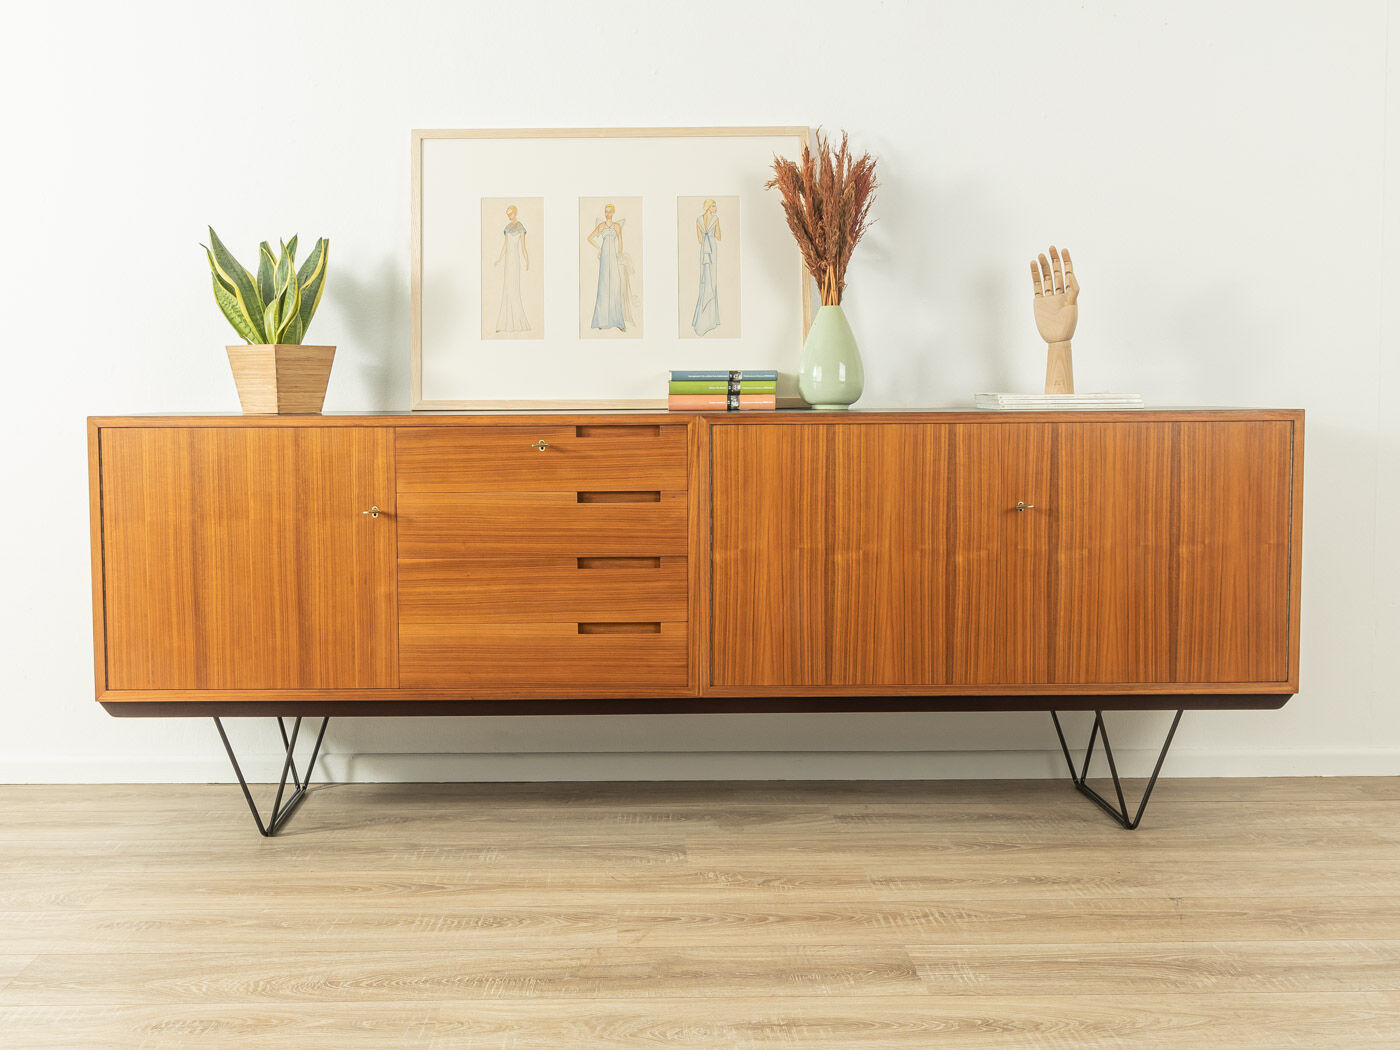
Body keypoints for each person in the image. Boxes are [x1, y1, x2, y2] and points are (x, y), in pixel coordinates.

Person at [586, 204, 627, 331]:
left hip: (613, 258)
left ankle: (617, 321)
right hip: (604, 256)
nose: (607, 213)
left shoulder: (617, 226)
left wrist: (620, 256)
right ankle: (601, 320)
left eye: (610, 211)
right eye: (606, 211)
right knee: (603, 286)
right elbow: (589, 238)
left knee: (615, 285)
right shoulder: (601, 226)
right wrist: (598, 248)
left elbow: (620, 241)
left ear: (613, 212)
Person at [493, 205, 530, 333]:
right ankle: (505, 323)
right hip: (508, 261)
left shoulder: (521, 227)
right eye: (507, 214)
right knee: (507, 288)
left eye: (511, 213)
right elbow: (505, 246)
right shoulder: (507, 228)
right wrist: (499, 259)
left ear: (515, 213)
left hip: (515, 261)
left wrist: (527, 260)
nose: (509, 216)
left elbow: (523, 247)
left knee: (514, 288)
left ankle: (517, 323)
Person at [691, 199, 721, 336]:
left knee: (704, 281)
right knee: (712, 281)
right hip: (712, 249)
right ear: (709, 207)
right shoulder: (715, 218)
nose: (716, 208)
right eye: (714, 205)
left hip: (704, 249)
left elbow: (699, 239)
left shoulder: (698, 219)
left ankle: (702, 318)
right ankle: (710, 319)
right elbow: (719, 236)